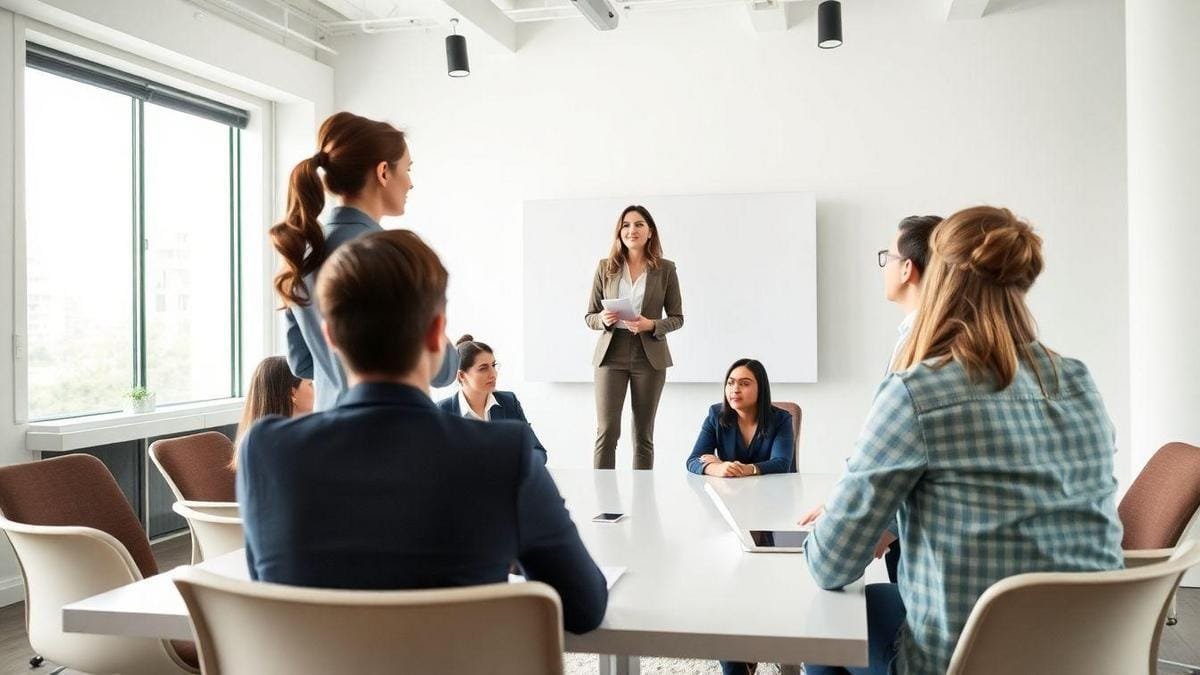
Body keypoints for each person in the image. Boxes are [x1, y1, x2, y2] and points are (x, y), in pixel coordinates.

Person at [801, 206, 1123, 674]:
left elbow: (831, 564)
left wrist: (843, 525)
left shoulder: (918, 391)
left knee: (828, 627)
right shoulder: (1078, 381)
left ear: (938, 279)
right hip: (1087, 654)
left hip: (961, 662)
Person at [238, 229, 608, 634]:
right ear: (437, 335)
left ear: (330, 340)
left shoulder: (265, 450)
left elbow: (271, 599)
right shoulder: (502, 454)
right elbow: (584, 607)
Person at [270, 111, 457, 411]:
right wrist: (453, 349)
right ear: (383, 172)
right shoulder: (390, 256)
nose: (410, 183)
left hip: (330, 436)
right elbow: (443, 369)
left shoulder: (303, 252)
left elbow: (302, 363)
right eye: (408, 169)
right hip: (390, 435)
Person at [585, 205, 684, 470]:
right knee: (607, 432)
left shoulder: (666, 269)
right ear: (620, 232)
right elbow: (590, 315)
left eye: (639, 224)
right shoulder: (606, 267)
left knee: (643, 435)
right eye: (626, 225)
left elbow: (677, 317)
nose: (632, 230)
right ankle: (604, 502)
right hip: (611, 354)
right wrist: (602, 320)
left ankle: (642, 503)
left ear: (650, 231)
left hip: (649, 356)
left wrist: (651, 324)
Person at [876, 214, 941, 582]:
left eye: (888, 257)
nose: (884, 267)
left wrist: (880, 525)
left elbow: (897, 452)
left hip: (918, 551)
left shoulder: (922, 345)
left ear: (907, 270)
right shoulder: (915, 335)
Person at [436, 334, 548, 460]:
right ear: (461, 376)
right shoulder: (441, 411)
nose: (493, 374)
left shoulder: (509, 402)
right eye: (483, 368)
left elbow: (537, 451)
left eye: (493, 365)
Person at [686, 358, 794, 478]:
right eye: (730, 383)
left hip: (772, 492)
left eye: (744, 384)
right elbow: (694, 460)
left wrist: (746, 469)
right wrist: (718, 468)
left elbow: (781, 464)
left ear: (761, 388)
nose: (735, 390)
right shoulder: (716, 415)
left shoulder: (781, 419)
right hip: (730, 491)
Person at [231, 356, 313, 469]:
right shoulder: (287, 446)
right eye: (310, 384)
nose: (316, 390)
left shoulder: (255, 441)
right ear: (292, 394)